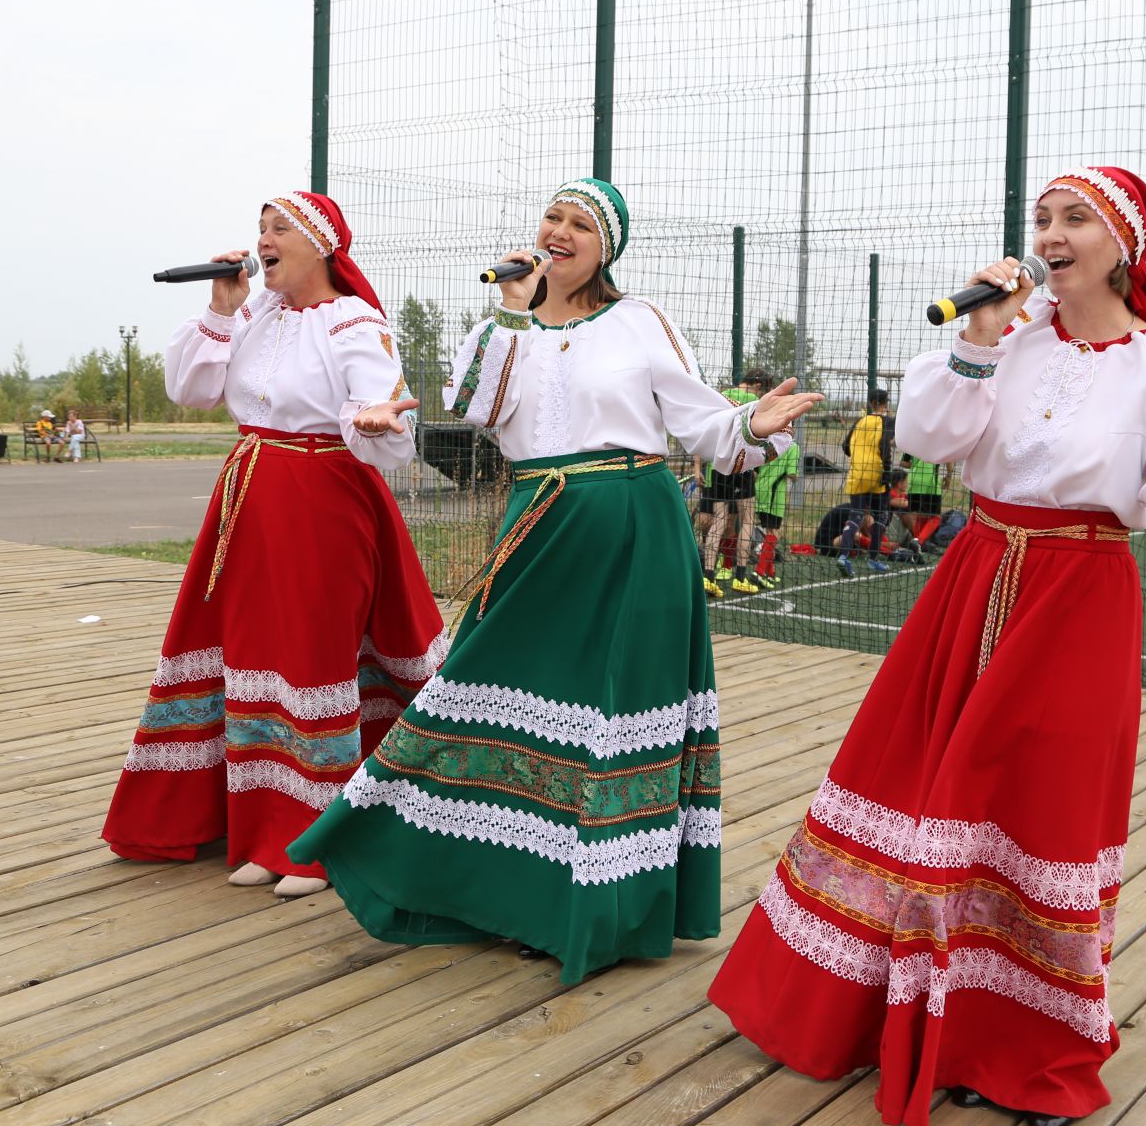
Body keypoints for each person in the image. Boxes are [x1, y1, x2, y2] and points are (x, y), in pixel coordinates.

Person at [708, 167, 1146, 1125]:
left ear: (1126, 244)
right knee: (915, 785)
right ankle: (863, 1010)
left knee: (1038, 806)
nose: (1052, 232)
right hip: (976, 572)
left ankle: (1017, 1043)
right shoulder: (1009, 336)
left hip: (1079, 594)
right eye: (1043, 218)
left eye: (1076, 218)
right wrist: (980, 339)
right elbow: (930, 439)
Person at [288, 178, 823, 983]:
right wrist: (513, 307)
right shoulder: (502, 325)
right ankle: (471, 881)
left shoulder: (640, 322)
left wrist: (754, 425)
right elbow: (473, 406)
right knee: (480, 693)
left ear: (606, 247)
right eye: (553, 218)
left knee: (608, 717)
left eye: (580, 224)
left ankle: (596, 908)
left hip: (634, 530)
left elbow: (704, 424)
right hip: (537, 527)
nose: (561, 232)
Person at [100, 191, 448, 900]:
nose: (264, 239)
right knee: (253, 654)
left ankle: (312, 838)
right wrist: (221, 308)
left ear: (321, 245)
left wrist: (376, 420)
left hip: (324, 499)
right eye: (260, 228)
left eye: (280, 227)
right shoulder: (252, 313)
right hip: (250, 497)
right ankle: (262, 831)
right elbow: (191, 390)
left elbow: (385, 419)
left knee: (311, 657)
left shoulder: (354, 320)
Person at [699, 372, 770, 595]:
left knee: (719, 521)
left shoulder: (720, 396)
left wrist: (698, 467)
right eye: (762, 390)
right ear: (757, 385)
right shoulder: (755, 402)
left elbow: (705, 431)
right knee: (747, 519)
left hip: (719, 466)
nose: (761, 394)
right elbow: (760, 435)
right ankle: (740, 577)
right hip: (741, 466)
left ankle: (708, 577)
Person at [838, 388, 895, 575]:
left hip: (857, 473)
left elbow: (846, 446)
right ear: (886, 403)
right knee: (880, 516)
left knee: (855, 515)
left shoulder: (860, 421)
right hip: (876, 474)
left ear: (871, 403)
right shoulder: (887, 421)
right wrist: (887, 474)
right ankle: (873, 559)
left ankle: (843, 557)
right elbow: (885, 448)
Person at [752, 387, 801, 589]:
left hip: (761, 488)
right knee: (774, 532)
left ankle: (770, 572)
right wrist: (794, 477)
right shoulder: (792, 446)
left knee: (767, 530)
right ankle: (759, 572)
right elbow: (791, 474)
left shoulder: (768, 440)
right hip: (775, 493)